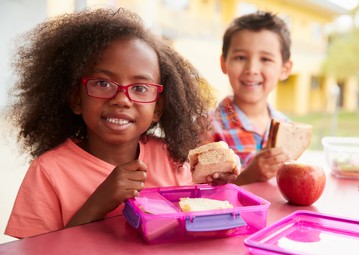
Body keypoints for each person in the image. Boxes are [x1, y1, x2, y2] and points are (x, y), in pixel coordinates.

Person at [4, 8, 217, 239]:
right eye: (103, 84)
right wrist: (97, 204)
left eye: (140, 88)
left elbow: (195, 225)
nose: (121, 100)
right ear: (77, 98)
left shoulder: (169, 159)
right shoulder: (48, 172)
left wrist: (216, 187)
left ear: (157, 107)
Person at [210, 11, 293, 185]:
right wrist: (248, 176)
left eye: (265, 59)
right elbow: (200, 192)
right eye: (240, 57)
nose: (252, 69)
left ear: (285, 69)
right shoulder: (206, 127)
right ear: (224, 63)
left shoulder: (288, 128)